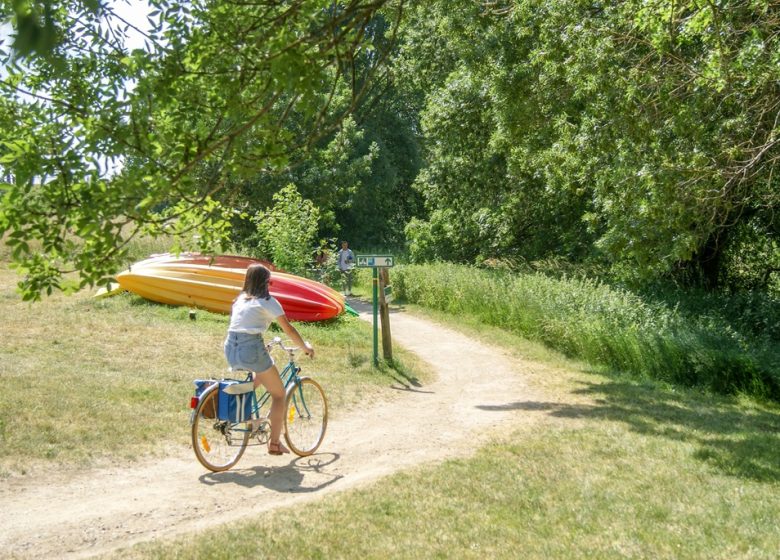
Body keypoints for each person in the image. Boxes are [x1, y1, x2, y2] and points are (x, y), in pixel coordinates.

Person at [224, 264, 314, 455]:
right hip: (251, 348)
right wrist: (304, 347)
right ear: (266, 282)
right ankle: (274, 443)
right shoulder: (268, 301)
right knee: (279, 395)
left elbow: (242, 326)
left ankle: (250, 416)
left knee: (262, 372)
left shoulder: (239, 300)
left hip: (231, 347)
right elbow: (288, 329)